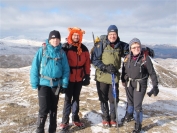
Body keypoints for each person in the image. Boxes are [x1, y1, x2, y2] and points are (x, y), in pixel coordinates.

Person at [30, 30, 70, 133]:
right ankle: (40, 130)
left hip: (56, 85)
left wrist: (65, 84)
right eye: (53, 39)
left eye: (57, 39)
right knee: (44, 109)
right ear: (49, 40)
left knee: (53, 109)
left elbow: (66, 69)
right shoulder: (42, 50)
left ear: (59, 40)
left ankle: (52, 130)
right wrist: (34, 82)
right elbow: (35, 66)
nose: (55, 40)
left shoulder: (61, 53)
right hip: (43, 84)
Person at [91, 25, 129, 127]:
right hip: (102, 76)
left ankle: (113, 118)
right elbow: (94, 60)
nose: (112, 36)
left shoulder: (120, 45)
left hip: (114, 77)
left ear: (117, 34)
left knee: (113, 99)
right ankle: (105, 117)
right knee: (103, 98)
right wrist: (104, 67)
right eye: (110, 34)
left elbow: (133, 48)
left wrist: (144, 50)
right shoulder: (101, 45)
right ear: (107, 34)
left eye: (114, 34)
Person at [121, 38, 159, 133]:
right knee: (129, 102)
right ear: (130, 48)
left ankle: (138, 125)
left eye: (138, 47)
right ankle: (129, 115)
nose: (136, 49)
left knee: (137, 106)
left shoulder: (145, 58)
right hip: (129, 82)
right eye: (134, 47)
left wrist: (155, 86)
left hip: (140, 84)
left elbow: (152, 73)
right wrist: (123, 79)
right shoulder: (127, 57)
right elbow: (124, 69)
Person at [59, 27, 91, 130]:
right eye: (74, 35)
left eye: (78, 35)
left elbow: (87, 63)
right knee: (68, 99)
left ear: (80, 36)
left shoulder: (84, 48)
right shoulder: (66, 48)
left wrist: (87, 75)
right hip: (68, 78)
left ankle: (76, 119)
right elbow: (61, 63)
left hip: (79, 78)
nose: (76, 37)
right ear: (71, 35)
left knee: (76, 98)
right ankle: (65, 122)